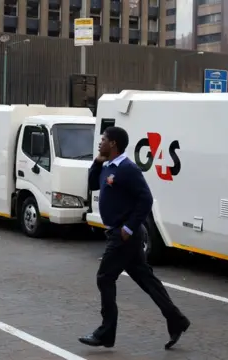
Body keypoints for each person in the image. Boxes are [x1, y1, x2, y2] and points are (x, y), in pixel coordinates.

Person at [78, 126, 190, 350]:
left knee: (104, 278)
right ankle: (177, 320)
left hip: (123, 236)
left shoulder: (128, 169)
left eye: (103, 140)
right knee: (145, 279)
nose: (100, 143)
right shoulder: (108, 166)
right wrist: (98, 162)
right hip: (118, 233)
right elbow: (91, 185)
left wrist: (129, 228)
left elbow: (146, 199)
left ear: (114, 144)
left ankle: (106, 333)